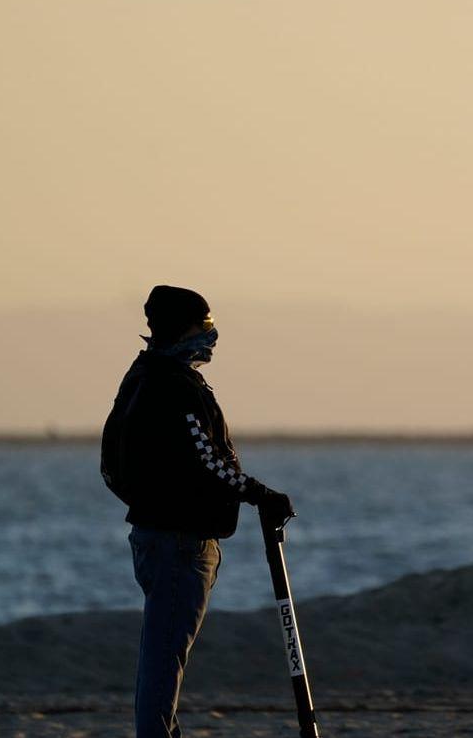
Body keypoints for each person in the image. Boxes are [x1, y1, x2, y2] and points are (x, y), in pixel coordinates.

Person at [100, 285, 295, 738]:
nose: (210, 336)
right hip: (177, 543)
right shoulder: (172, 385)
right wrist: (259, 493)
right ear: (181, 328)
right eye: (203, 325)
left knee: (165, 657)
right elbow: (204, 460)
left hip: (160, 537)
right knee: (164, 661)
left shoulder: (146, 375)